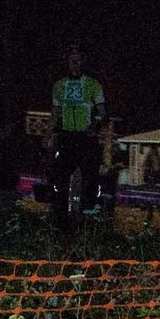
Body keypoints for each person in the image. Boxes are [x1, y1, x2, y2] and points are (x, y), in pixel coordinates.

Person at [46, 47, 107, 223]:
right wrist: (48, 136)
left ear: (83, 62)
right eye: (71, 60)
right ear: (66, 62)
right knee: (60, 179)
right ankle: (60, 217)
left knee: (90, 178)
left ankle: (88, 217)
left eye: (77, 60)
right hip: (66, 137)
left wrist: (94, 126)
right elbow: (55, 114)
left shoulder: (93, 84)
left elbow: (103, 112)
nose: (74, 64)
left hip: (86, 138)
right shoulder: (58, 86)